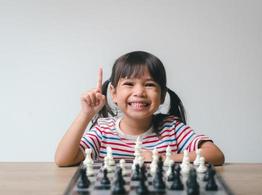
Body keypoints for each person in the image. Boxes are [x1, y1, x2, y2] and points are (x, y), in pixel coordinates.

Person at [55, 51, 224, 167]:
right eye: (129, 84)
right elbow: (63, 160)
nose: (139, 92)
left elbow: (215, 154)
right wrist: (86, 114)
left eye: (149, 85)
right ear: (113, 93)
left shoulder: (172, 128)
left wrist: (166, 158)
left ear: (163, 95)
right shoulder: (103, 129)